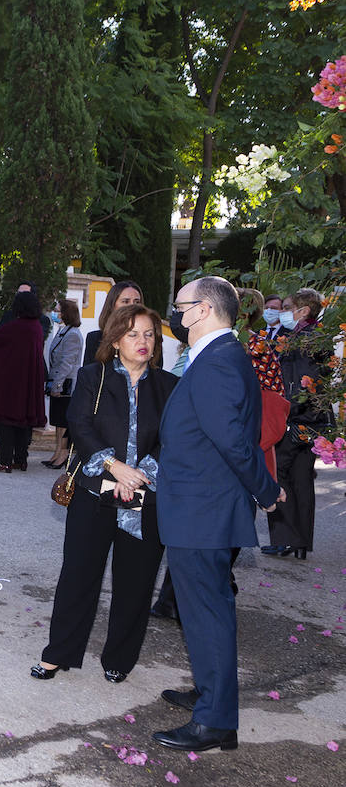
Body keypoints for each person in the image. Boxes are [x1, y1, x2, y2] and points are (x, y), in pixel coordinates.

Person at [152, 275, 285, 753]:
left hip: (202, 511)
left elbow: (233, 441)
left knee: (207, 614)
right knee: (201, 611)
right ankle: (210, 695)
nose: (175, 314)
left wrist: (267, 493)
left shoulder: (218, 363)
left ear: (203, 310)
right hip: (199, 507)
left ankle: (215, 722)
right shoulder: (220, 357)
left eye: (180, 306)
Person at [31, 304, 177, 684]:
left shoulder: (168, 386)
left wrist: (141, 474)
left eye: (148, 334)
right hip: (94, 491)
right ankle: (58, 653)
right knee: (79, 575)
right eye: (132, 334)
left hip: (145, 496)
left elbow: (173, 440)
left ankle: (119, 659)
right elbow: (79, 425)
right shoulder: (91, 377)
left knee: (136, 582)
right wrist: (116, 467)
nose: (142, 342)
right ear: (114, 341)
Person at [264, 288, 326, 559]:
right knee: (301, 479)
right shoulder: (315, 337)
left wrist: (285, 411)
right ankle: (300, 542)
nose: (283, 312)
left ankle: (286, 538)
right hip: (310, 420)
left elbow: (300, 384)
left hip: (297, 418)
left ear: (304, 310)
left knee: (280, 475)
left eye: (288, 307)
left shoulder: (303, 340)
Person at [0, 290, 47, 473]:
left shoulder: (16, 327)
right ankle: (20, 460)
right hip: (29, 383)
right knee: (24, 423)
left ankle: (4, 461)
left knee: (5, 421)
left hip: (12, 384)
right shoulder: (37, 327)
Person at [42, 299, 84, 468]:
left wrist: (57, 385)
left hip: (66, 384)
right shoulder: (63, 331)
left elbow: (67, 363)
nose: (55, 313)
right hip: (58, 380)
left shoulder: (73, 334)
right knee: (58, 421)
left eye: (58, 310)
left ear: (66, 313)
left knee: (63, 421)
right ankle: (57, 452)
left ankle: (63, 455)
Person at [83, 281, 143, 365]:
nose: (132, 306)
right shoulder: (95, 339)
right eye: (126, 301)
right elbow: (87, 375)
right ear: (112, 306)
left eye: (137, 302)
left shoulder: (149, 340)